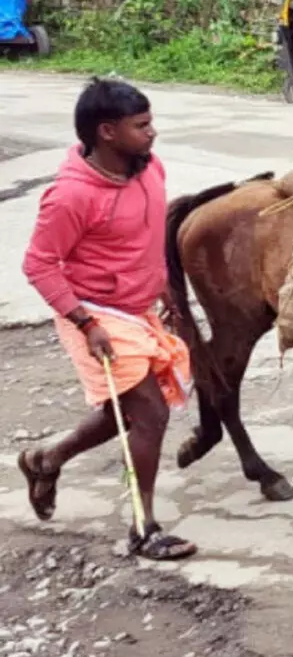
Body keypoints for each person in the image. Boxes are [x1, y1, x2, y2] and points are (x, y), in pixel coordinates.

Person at [16, 77, 197, 561]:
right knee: (150, 411)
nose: (152, 133)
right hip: (94, 312)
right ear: (107, 132)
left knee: (126, 412)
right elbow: (37, 265)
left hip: (137, 309)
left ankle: (45, 459)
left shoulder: (149, 169)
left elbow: (147, 234)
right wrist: (86, 323)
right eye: (141, 126)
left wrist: (165, 288)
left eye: (151, 122)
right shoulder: (70, 196)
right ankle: (143, 528)